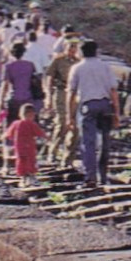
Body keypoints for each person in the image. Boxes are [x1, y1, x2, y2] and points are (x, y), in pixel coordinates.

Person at [66, 39, 119, 187]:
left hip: (87, 106)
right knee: (105, 142)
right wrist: (117, 113)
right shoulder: (105, 66)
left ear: (81, 52)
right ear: (96, 51)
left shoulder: (77, 68)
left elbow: (71, 93)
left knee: (88, 143)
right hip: (105, 105)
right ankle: (103, 175)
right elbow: (113, 91)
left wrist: (69, 115)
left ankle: (90, 177)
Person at [45, 37, 83, 167]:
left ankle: (68, 158)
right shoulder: (58, 60)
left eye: (74, 47)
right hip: (61, 92)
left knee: (75, 126)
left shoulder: (79, 63)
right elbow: (49, 77)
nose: (72, 50)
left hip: (74, 94)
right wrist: (48, 96)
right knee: (61, 123)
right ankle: (53, 152)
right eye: (70, 47)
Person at [4, 102, 45, 186]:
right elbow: (40, 133)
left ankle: (24, 177)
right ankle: (29, 177)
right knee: (30, 161)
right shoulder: (31, 124)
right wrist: (47, 137)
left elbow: (8, 134)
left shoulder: (16, 124)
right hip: (28, 147)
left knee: (22, 161)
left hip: (21, 147)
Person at [0, 42, 38, 126]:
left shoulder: (9, 66)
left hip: (14, 98)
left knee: (11, 124)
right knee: (28, 124)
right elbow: (34, 81)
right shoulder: (30, 65)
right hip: (28, 98)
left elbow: (5, 85)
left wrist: (1, 101)